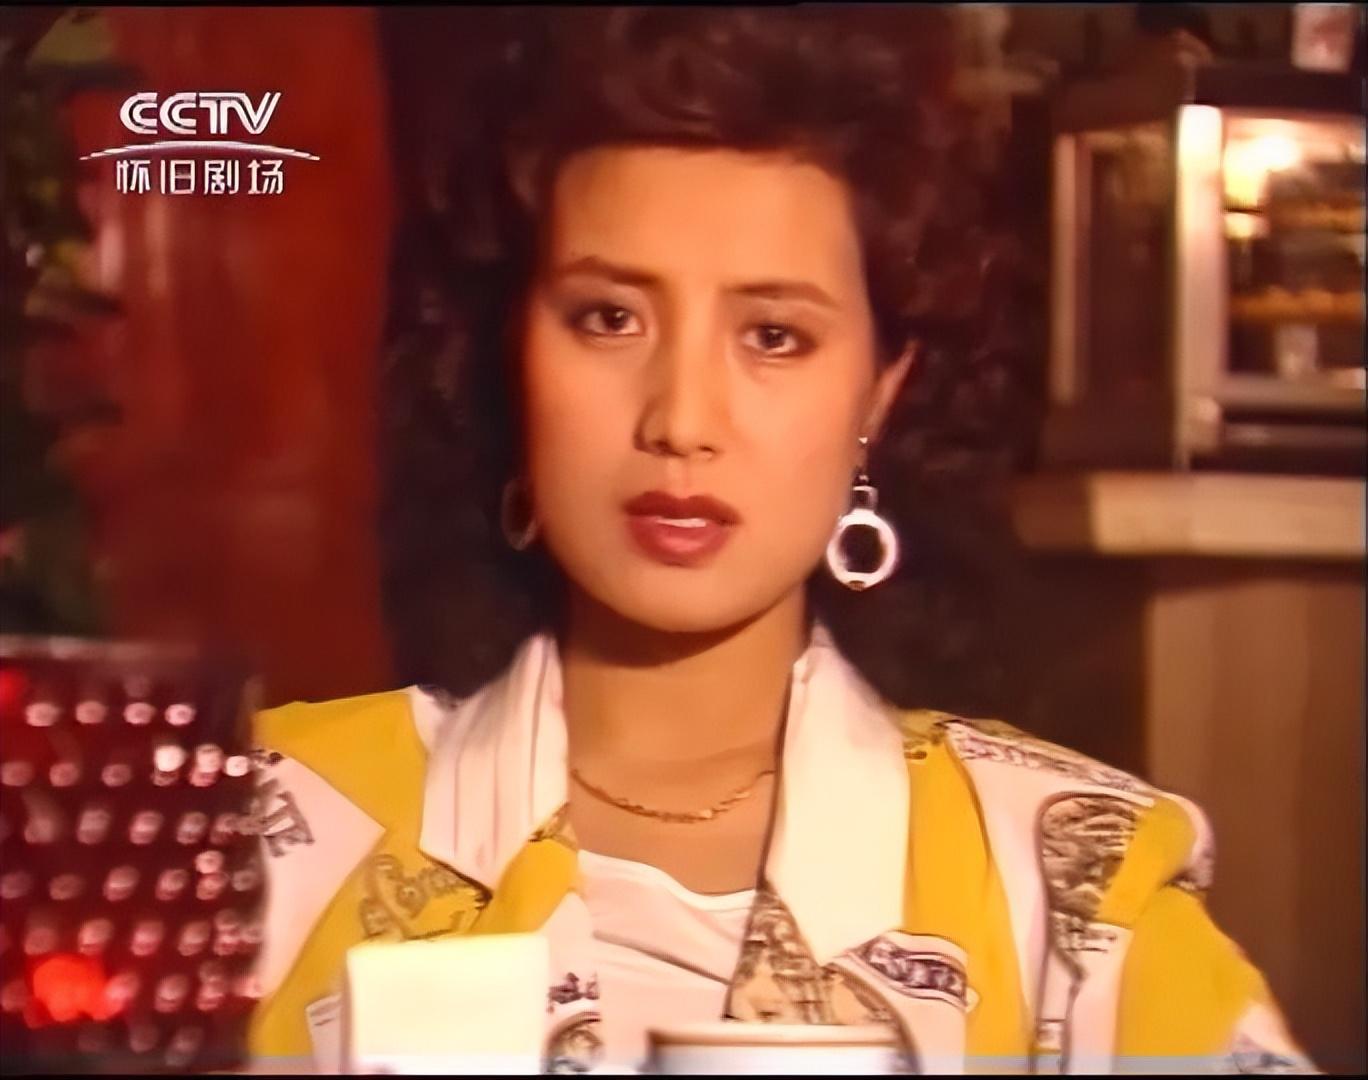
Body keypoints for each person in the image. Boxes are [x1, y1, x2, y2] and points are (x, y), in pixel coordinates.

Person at [243, 7, 1314, 1074]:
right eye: (609, 318)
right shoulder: (271, 832)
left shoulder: (1074, 894)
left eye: (773, 336)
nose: (681, 420)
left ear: (879, 392)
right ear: (512, 354)